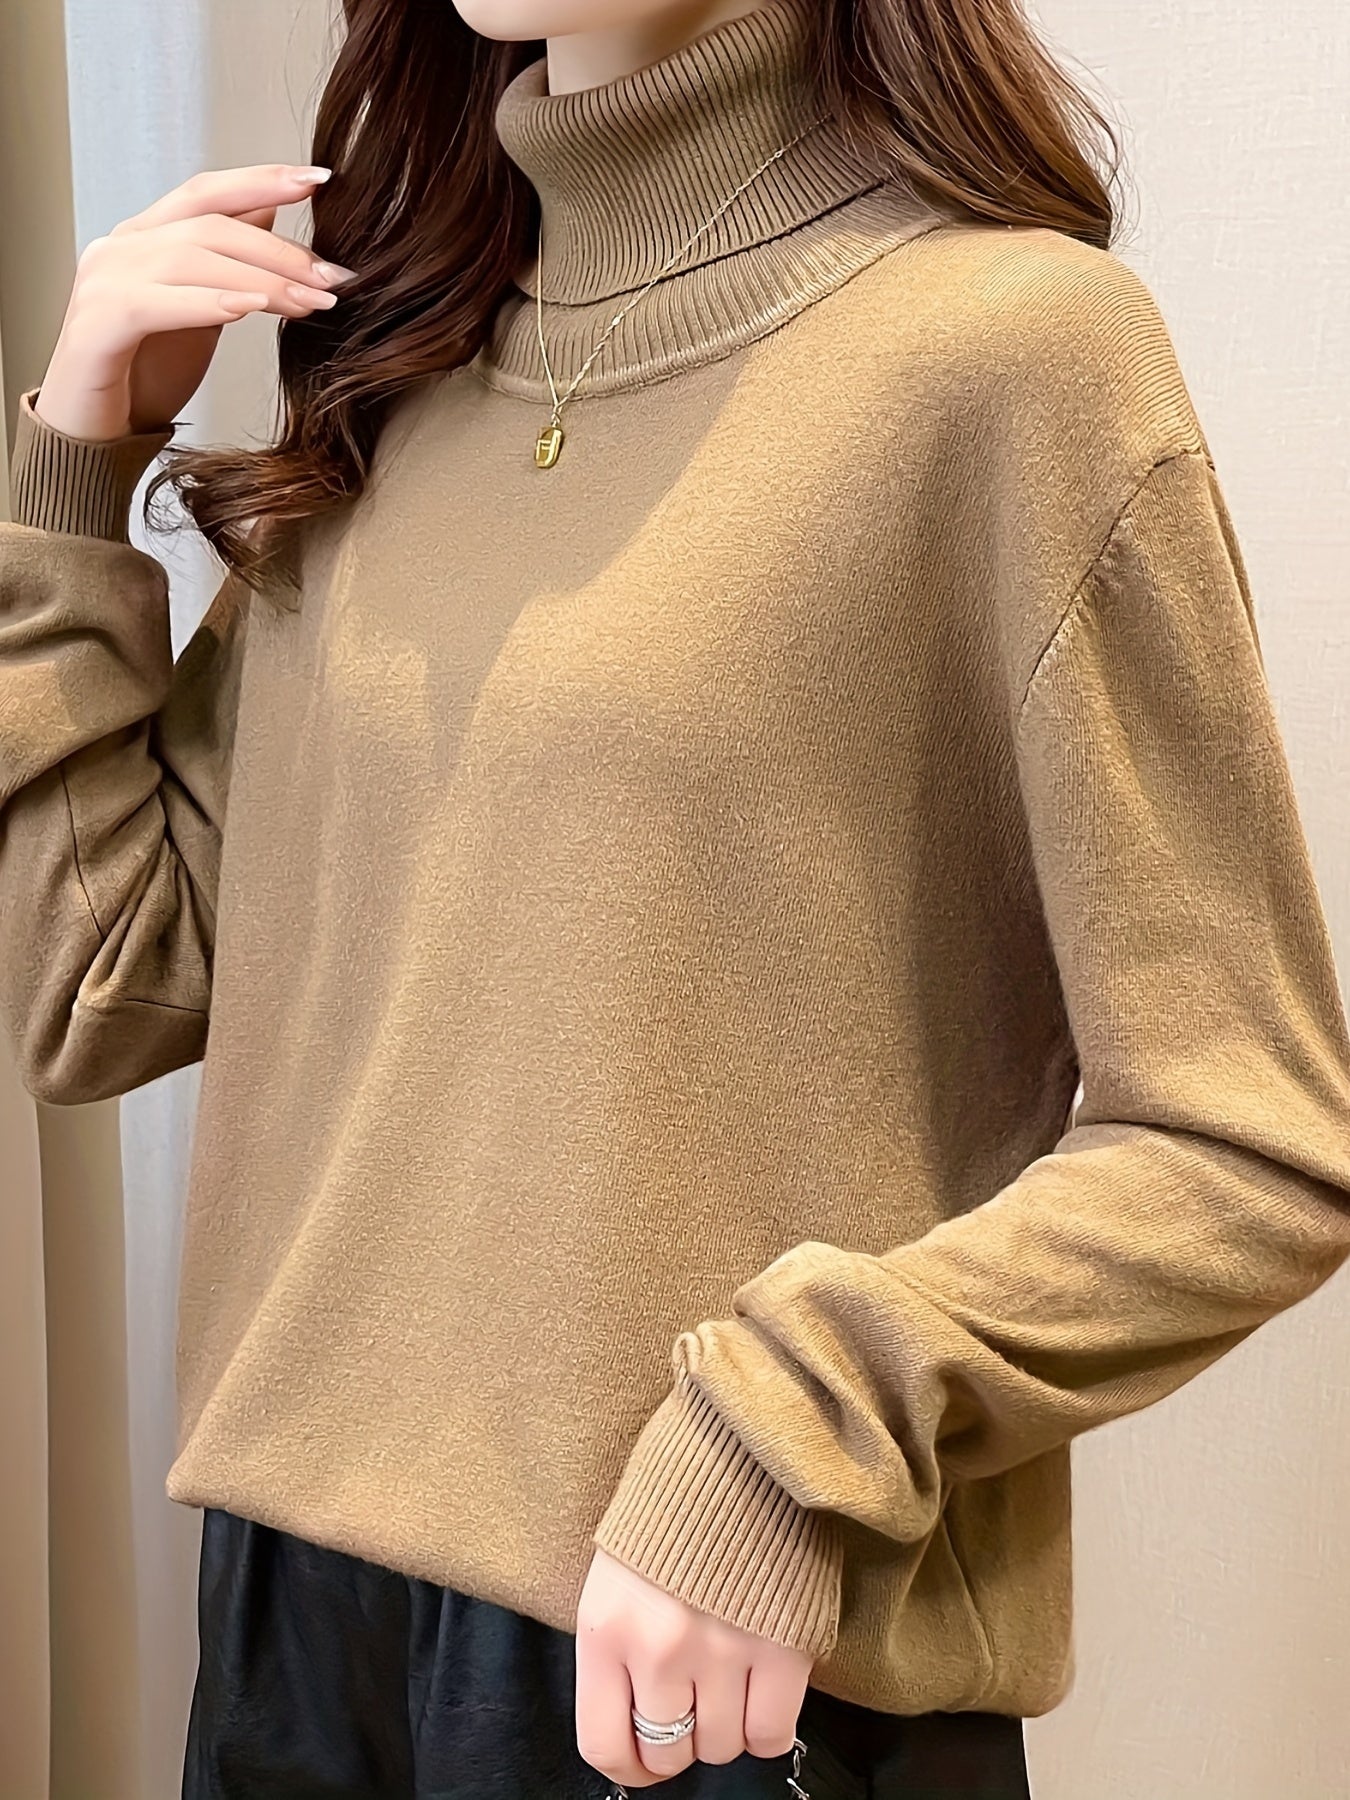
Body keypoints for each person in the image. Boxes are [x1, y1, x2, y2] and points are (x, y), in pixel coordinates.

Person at [3, 0, 1349, 1793]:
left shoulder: (1011, 353)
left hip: (700, 1656)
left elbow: (1252, 1138)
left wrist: (785, 1425)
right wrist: (72, 462)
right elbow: (97, 988)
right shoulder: (401, 369)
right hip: (295, 1628)